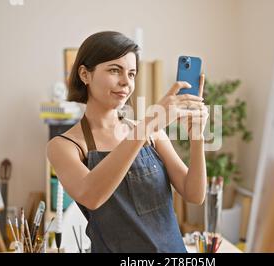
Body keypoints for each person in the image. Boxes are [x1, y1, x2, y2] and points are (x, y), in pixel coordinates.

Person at [47, 31, 209, 253]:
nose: (125, 82)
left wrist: (197, 137)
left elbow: (194, 194)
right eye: (115, 70)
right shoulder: (64, 146)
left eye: (132, 74)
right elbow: (91, 195)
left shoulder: (151, 134)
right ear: (85, 74)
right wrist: (149, 123)